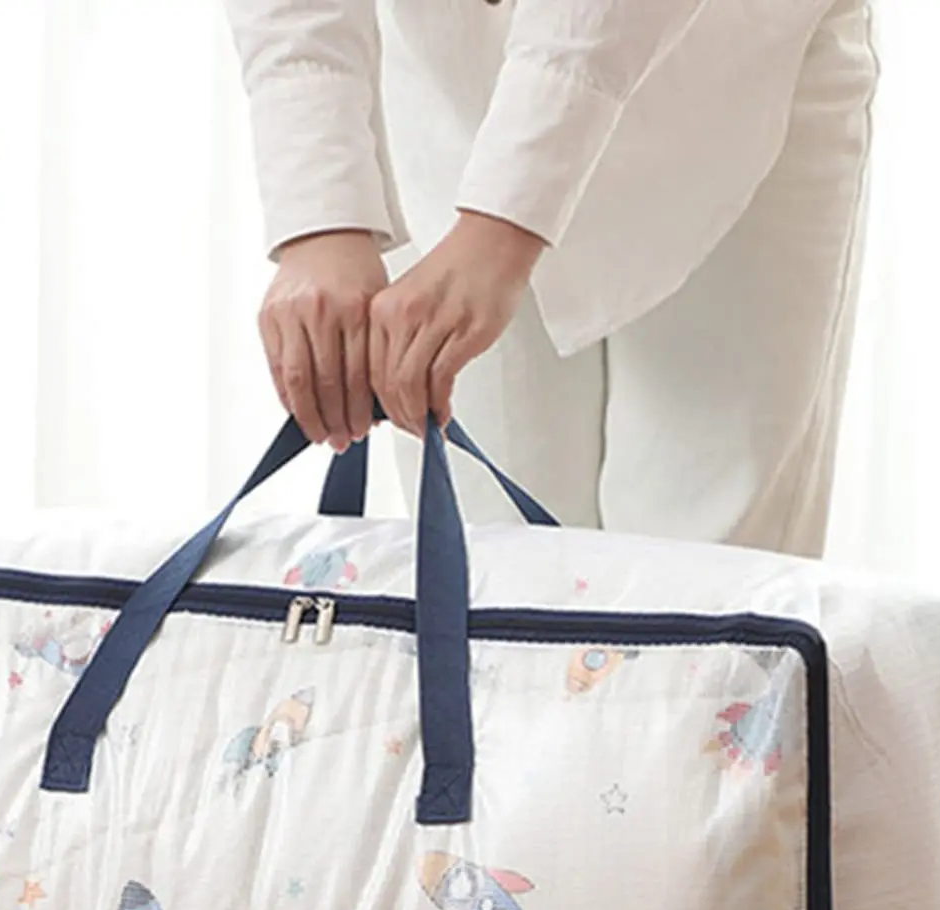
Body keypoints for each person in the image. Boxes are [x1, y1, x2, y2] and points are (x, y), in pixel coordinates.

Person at [225, 0, 876, 554]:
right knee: (492, 568)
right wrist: (322, 223)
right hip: (457, 95)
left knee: (706, 578)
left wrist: (503, 223)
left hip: (727, 83)